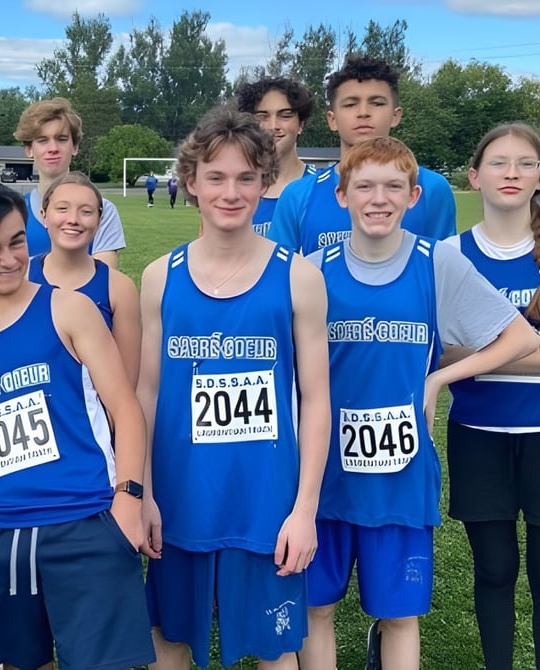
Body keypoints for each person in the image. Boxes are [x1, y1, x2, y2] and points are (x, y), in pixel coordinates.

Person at [298, 136, 537, 670]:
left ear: (412, 197)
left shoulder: (436, 265)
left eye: (393, 187)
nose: (378, 198)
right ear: (342, 196)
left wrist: (439, 379)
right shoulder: (311, 270)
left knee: (400, 617)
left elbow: (520, 338)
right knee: (316, 607)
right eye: (364, 186)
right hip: (323, 471)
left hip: (400, 476)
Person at [0, 181, 155, 670]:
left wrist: (129, 498)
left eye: (16, 241)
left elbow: (124, 408)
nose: (9, 258)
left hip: (84, 520)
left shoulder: (67, 308)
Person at [138, 106, 330, 669]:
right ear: (190, 183)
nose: (231, 191)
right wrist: (144, 493)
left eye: (246, 177)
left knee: (275, 652)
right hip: (179, 500)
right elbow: (146, 394)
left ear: (265, 182)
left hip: (266, 503)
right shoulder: (158, 277)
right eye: (216, 177)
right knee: (169, 641)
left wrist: (305, 510)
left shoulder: (299, 276)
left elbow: (317, 399)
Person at [441, 123, 540, 670]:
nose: (512, 173)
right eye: (499, 163)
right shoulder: (450, 255)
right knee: (495, 569)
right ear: (475, 176)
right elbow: (436, 351)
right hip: (478, 435)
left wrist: (481, 350)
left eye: (525, 163)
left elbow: (461, 352)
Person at [268, 55, 456, 255]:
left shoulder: (432, 188)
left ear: (395, 115)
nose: (363, 112)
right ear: (332, 119)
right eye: (350, 104)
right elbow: (278, 276)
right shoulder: (298, 195)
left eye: (377, 103)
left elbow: (445, 270)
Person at [28, 171, 141, 385]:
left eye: (86, 212)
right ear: (44, 215)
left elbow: (127, 383)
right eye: (62, 209)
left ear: (99, 220)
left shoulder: (118, 288)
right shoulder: (22, 278)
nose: (73, 220)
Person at [14, 97, 126, 268]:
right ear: (29, 149)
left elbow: (103, 284)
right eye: (42, 140)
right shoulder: (13, 213)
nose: (53, 148)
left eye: (62, 139)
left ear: (75, 147)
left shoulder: (103, 211)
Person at [236, 76, 317, 237]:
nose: (273, 126)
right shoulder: (231, 191)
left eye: (285, 115)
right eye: (262, 116)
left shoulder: (321, 188)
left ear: (301, 124)